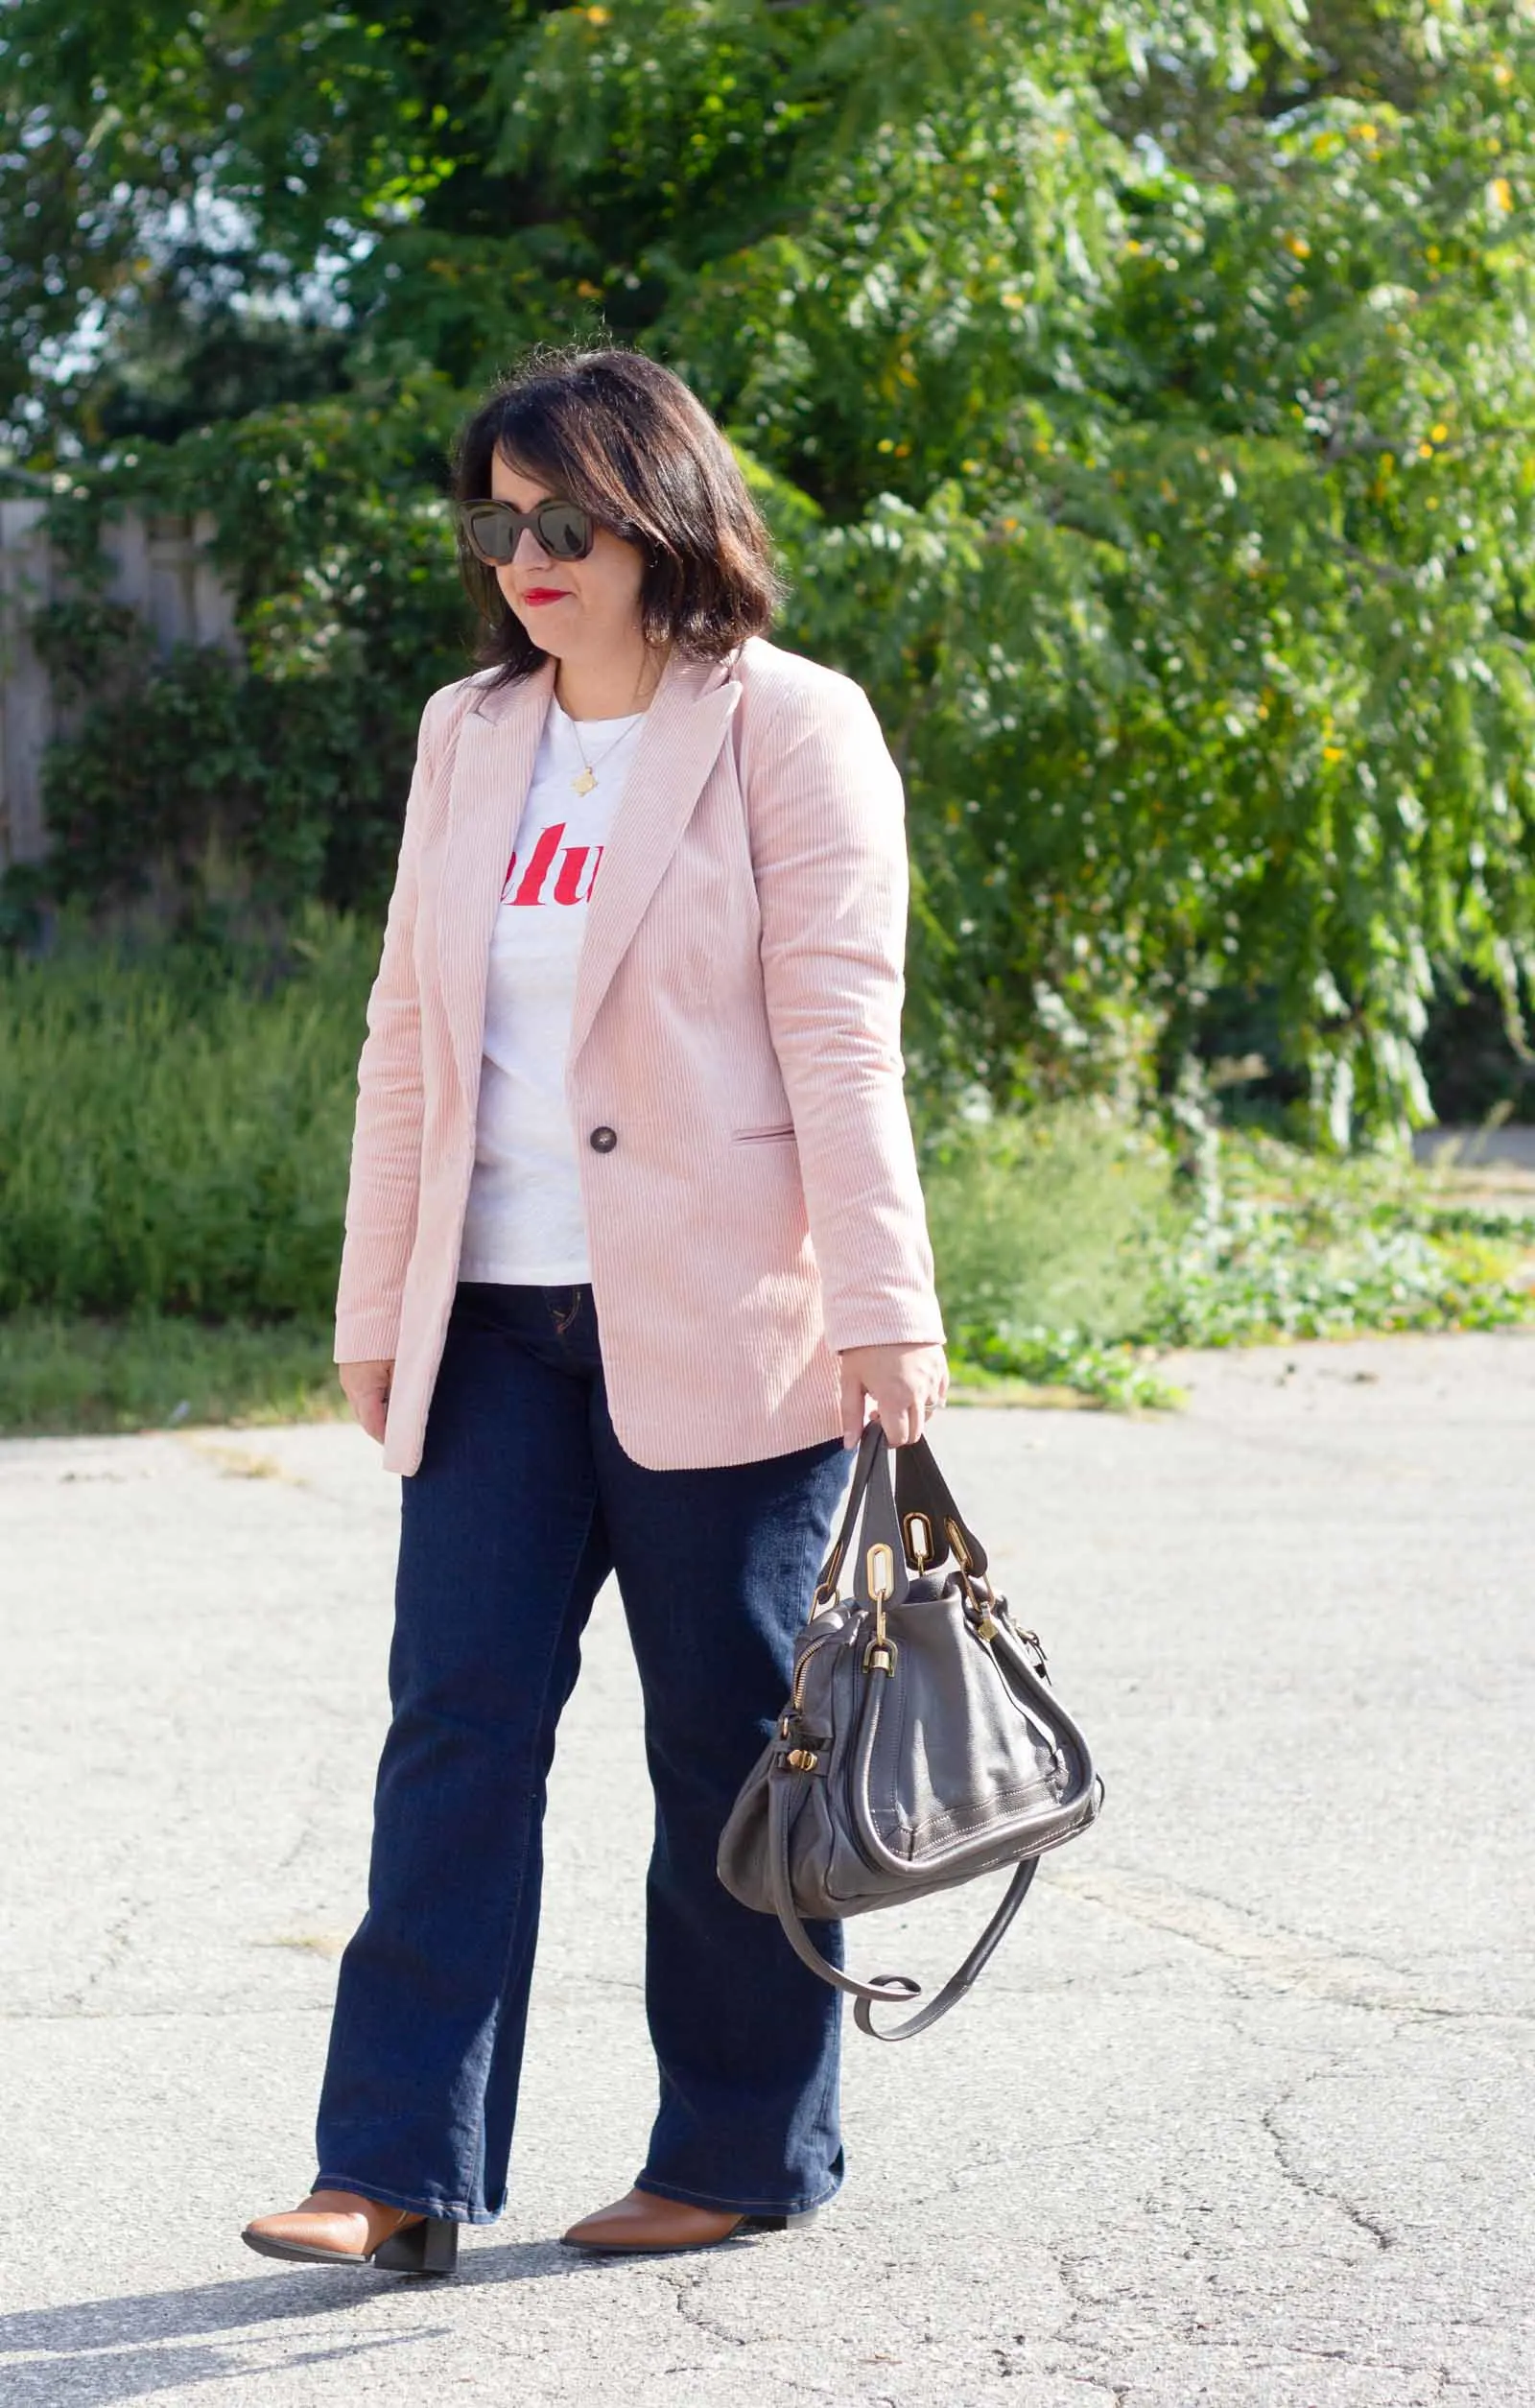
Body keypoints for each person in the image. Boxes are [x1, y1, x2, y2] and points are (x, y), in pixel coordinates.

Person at [240, 344, 948, 2277]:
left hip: (724, 1320)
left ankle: (733, 2150)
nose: (527, 555)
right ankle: (389, 2168)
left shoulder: (784, 727)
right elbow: (409, 1038)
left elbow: (837, 1036)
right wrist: (376, 1297)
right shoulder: (467, 733)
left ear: (659, 514)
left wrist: (888, 1315)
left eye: (567, 517)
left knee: (725, 1749)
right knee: (454, 1727)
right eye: (496, 518)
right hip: (489, 1324)